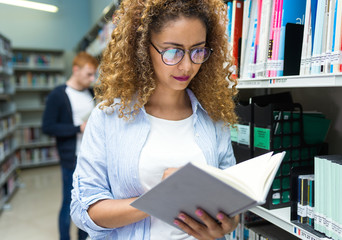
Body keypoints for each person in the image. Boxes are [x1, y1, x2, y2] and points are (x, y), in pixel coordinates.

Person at [70, 0, 240, 239]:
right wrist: (157, 199)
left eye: (198, 50)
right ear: (143, 47)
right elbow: (83, 210)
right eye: (173, 51)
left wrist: (227, 222)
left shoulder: (213, 118)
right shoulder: (108, 116)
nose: (187, 65)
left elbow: (230, 196)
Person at [42, 51, 99, 240]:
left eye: (94, 75)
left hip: (90, 157)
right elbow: (48, 127)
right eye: (88, 74)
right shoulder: (58, 95)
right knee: (68, 203)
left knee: (86, 204)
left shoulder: (91, 93)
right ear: (76, 70)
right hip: (71, 158)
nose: (92, 79)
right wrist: (78, 128)